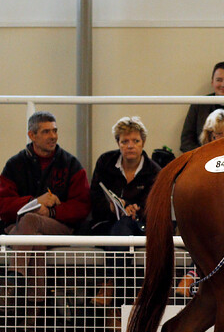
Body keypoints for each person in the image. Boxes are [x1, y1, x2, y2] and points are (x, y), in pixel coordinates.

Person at [0, 111, 91, 307]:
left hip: (58, 227)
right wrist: (34, 202)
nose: (53, 136)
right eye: (46, 131)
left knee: (30, 221)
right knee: (37, 243)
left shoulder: (71, 164)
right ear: (32, 135)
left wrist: (51, 212)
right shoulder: (14, 165)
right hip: (19, 227)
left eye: (55, 130)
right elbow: (3, 205)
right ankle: (35, 312)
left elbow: (83, 206)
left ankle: (13, 279)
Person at [89, 116, 161, 310]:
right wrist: (112, 207)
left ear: (143, 143)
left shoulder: (154, 171)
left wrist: (136, 209)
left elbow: (155, 207)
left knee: (124, 227)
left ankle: (110, 286)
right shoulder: (105, 161)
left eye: (135, 141)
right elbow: (94, 196)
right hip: (106, 224)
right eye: (125, 141)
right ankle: (123, 304)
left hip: (139, 228)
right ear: (118, 143)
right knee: (120, 230)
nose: (130, 146)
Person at [175, 110, 224, 297]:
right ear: (208, 136)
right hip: (203, 220)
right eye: (218, 134)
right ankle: (195, 277)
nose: (223, 138)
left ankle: (196, 278)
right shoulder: (196, 162)